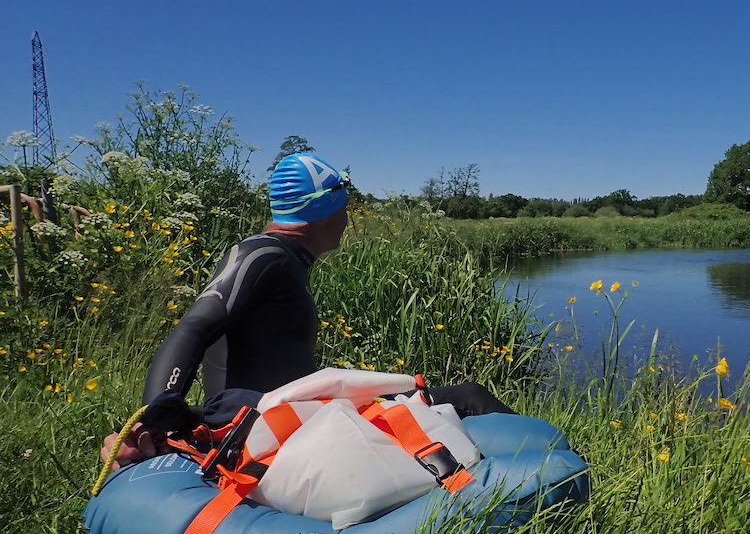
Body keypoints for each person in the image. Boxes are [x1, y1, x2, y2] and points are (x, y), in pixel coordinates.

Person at [101, 153, 511, 470]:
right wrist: (157, 411)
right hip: (266, 422)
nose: (348, 219)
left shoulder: (282, 260)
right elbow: (194, 326)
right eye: (345, 207)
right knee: (470, 397)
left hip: (289, 411)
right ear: (325, 211)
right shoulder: (262, 253)